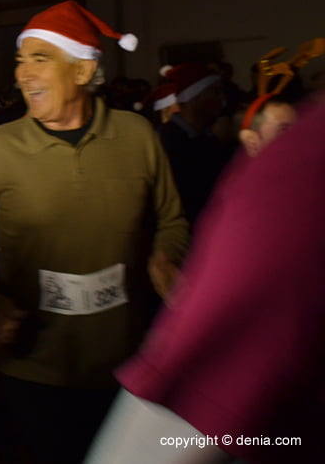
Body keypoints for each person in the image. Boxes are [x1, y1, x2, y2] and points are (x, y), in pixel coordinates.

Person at [0, 0, 189, 464]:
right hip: (32, 374)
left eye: (40, 59)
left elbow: (172, 218)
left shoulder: (137, 137)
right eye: (19, 61)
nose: (22, 74)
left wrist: (168, 258)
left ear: (84, 70)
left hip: (126, 368)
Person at [85, 97, 325, 464]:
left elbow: (171, 217)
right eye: (282, 130)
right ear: (251, 138)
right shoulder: (297, 171)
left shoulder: (283, 171)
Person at [159, 62, 232, 227]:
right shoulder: (169, 141)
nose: (222, 100)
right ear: (195, 98)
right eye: (215, 92)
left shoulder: (208, 136)